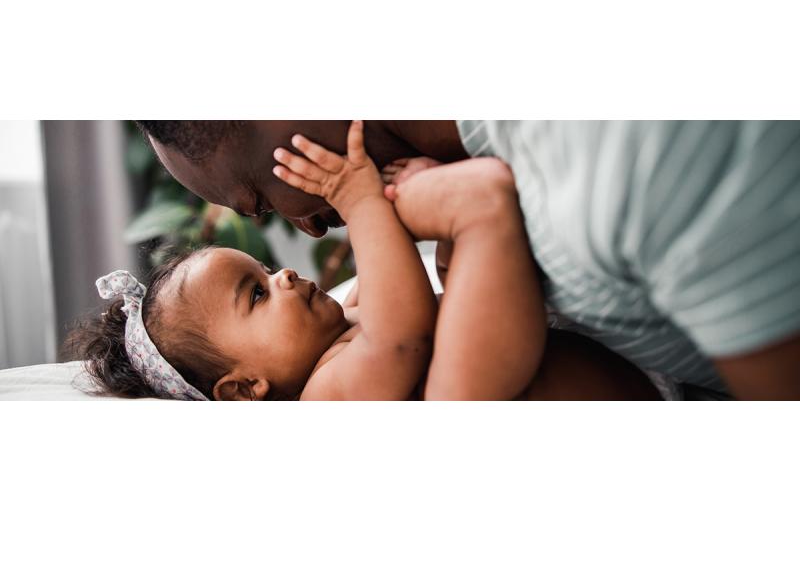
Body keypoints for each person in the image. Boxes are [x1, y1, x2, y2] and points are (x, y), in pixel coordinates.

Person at [137, 120, 800, 400]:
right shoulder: (326, 398)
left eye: (260, 197)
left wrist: (422, 226)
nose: (295, 244)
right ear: (245, 388)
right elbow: (404, 339)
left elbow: (421, 302)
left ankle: (475, 213)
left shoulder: (625, 154)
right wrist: (365, 204)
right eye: (256, 294)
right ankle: (478, 210)